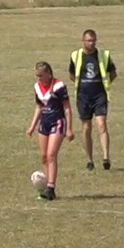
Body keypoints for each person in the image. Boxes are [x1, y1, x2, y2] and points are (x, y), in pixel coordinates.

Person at [70, 28, 118, 172]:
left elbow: (113, 73)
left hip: (99, 95)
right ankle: (89, 160)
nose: (91, 43)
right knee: (86, 127)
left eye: (93, 40)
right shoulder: (76, 56)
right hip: (83, 96)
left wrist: (104, 85)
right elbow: (72, 74)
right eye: (88, 40)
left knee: (101, 124)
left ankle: (105, 157)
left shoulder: (104, 55)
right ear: (83, 41)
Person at [27, 61, 71, 201]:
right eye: (37, 76)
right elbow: (39, 107)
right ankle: (46, 188)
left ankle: (51, 187)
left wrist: (69, 128)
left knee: (51, 154)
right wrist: (32, 126)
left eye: (41, 75)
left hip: (57, 122)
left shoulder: (59, 86)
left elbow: (67, 108)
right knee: (44, 156)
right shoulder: (37, 87)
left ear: (48, 73)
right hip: (44, 123)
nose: (38, 78)